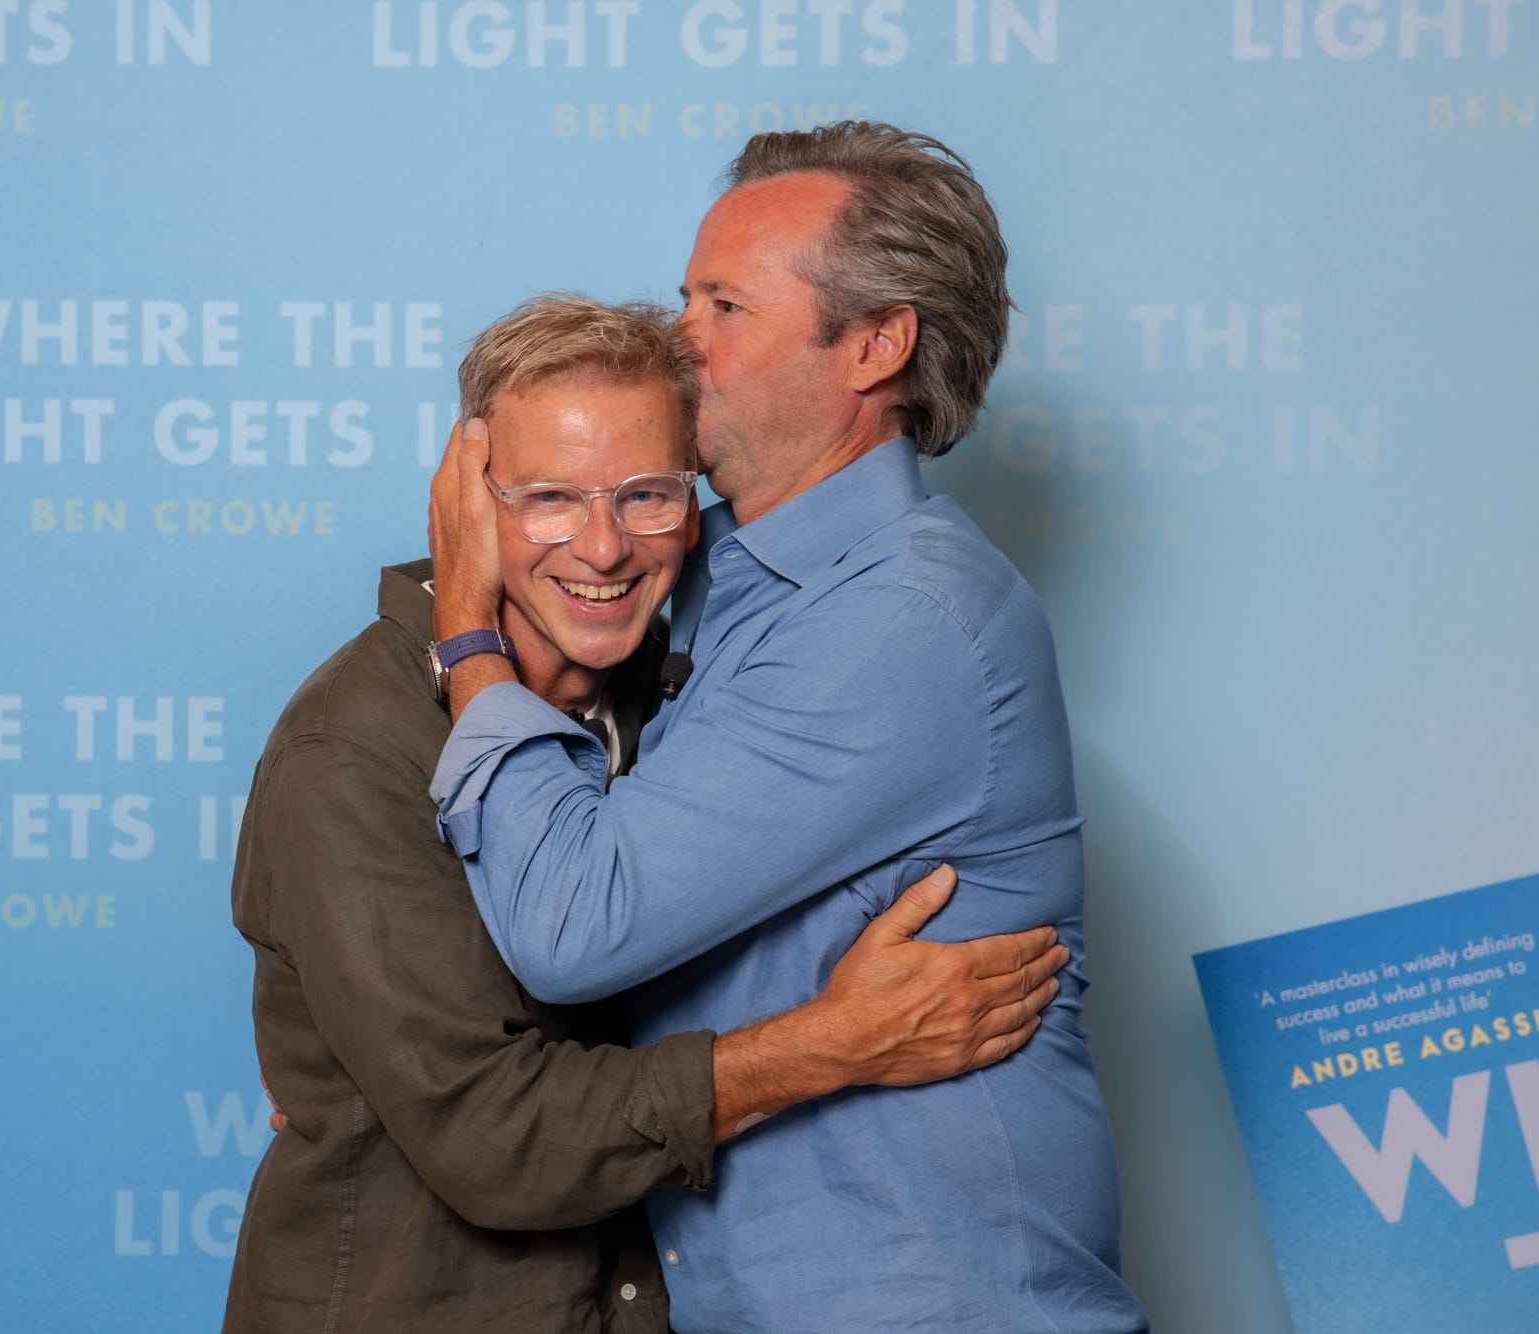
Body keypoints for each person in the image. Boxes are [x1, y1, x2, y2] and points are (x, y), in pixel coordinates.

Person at [224, 294, 1067, 1333]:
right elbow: (495, 1135)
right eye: (548, 498)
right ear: (466, 503)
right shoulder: (354, 749)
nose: (603, 547)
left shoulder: (679, 691)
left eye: (646, 496)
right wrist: (835, 1042)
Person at [429, 126, 1149, 1331]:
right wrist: (370, 1055)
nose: (678, 338)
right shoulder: (685, 576)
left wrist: (464, 630)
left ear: (875, 344)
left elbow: (573, 919)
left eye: (723, 305)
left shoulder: (903, 618)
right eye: (683, 298)